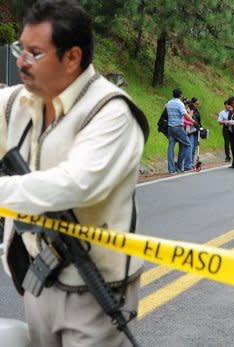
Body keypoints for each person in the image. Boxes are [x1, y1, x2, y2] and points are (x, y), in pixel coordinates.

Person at [0, 1, 149, 346]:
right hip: (40, 280)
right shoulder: (18, 103)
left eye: (34, 53)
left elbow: (75, 184)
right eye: (20, 48)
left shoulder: (111, 113)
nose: (21, 61)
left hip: (95, 289)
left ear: (72, 58)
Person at [166, 88, 193, 173]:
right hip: (178, 127)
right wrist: (193, 121)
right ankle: (180, 165)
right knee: (188, 144)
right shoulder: (180, 103)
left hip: (170, 127)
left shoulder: (168, 103)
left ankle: (171, 169)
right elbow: (185, 115)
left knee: (171, 148)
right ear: (180, 95)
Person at [188, 97, 202, 165]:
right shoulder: (190, 110)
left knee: (194, 148)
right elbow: (189, 120)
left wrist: (201, 128)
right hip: (191, 131)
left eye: (198, 104)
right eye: (196, 104)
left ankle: (192, 163)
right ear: (193, 103)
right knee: (191, 147)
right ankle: (189, 163)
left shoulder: (197, 111)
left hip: (196, 130)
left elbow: (199, 121)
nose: (197, 105)